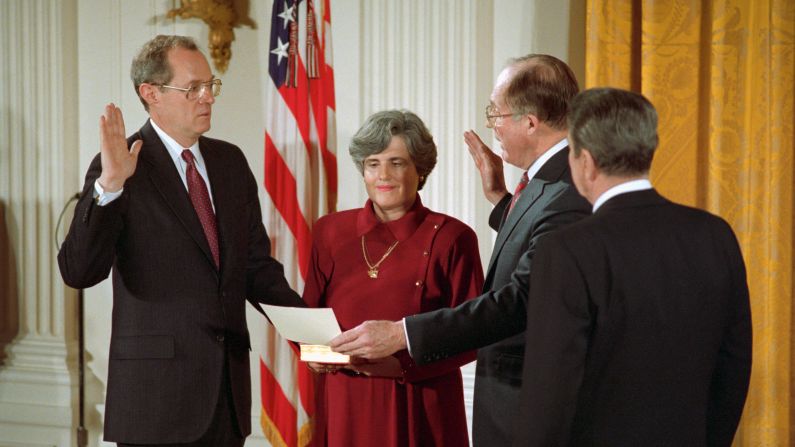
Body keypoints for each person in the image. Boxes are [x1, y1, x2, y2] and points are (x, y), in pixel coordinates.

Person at [328, 55, 591, 445]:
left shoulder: (567, 190)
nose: (492, 125)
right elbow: (542, 248)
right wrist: (503, 202)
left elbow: (520, 301)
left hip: (534, 407)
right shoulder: (547, 183)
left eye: (495, 113)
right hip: (514, 404)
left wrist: (402, 334)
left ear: (530, 121)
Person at [57, 35, 304, 446]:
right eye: (193, 89)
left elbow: (256, 269)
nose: (208, 97)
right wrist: (110, 186)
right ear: (150, 93)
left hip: (225, 401)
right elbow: (79, 271)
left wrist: (314, 333)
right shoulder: (120, 166)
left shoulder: (230, 162)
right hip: (154, 403)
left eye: (211, 85)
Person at [513, 87, 752, 446]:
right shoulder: (715, 235)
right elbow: (733, 367)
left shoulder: (567, 250)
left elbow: (550, 394)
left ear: (586, 161)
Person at [302, 110, 484, 447]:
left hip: (420, 402)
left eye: (397, 162)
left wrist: (402, 365)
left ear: (421, 169)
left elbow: (472, 334)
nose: (383, 175)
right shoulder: (330, 231)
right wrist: (312, 352)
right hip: (345, 404)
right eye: (373, 163)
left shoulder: (453, 238)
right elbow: (308, 314)